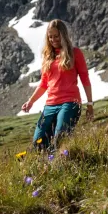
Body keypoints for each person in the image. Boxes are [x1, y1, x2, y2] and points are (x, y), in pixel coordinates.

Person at [21, 19, 94, 152]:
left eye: (56, 36)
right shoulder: (48, 57)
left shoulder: (75, 53)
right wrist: (30, 101)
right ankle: (48, 167)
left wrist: (90, 104)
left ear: (63, 35)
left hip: (70, 103)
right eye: (50, 37)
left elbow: (85, 79)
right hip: (50, 105)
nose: (53, 39)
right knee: (39, 141)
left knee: (61, 137)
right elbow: (43, 84)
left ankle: (64, 164)